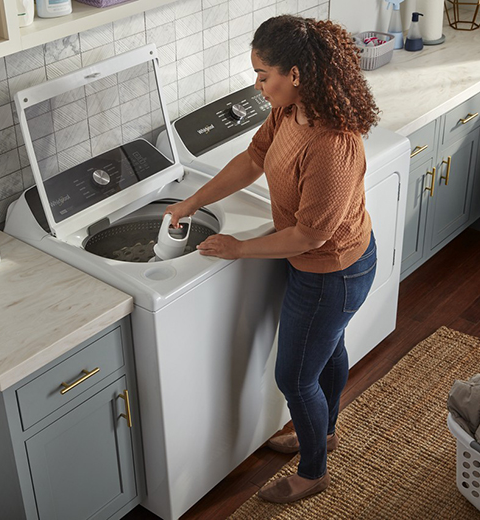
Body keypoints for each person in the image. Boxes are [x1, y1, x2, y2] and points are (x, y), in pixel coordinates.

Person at [164, 14, 381, 504]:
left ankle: (313, 471)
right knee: (327, 351)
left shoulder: (331, 143)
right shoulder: (290, 110)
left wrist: (239, 249)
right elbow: (253, 158)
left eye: (264, 76)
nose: (259, 86)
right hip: (323, 267)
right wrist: (193, 202)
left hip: (336, 271)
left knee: (294, 376)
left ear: (296, 74)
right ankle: (322, 433)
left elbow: (308, 235)